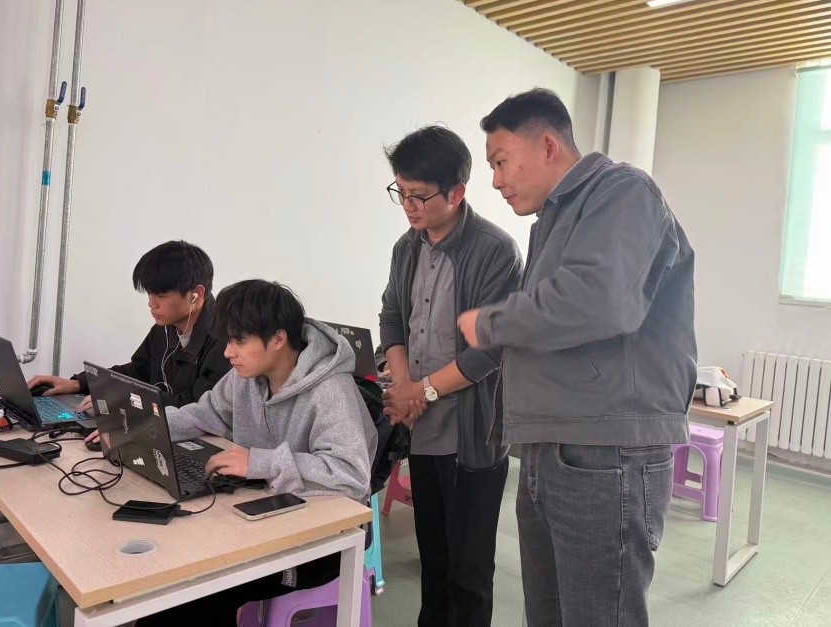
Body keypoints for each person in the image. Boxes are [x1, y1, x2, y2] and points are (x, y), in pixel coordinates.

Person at [458, 88, 696, 626]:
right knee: (548, 615)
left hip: (604, 452)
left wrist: (491, 322)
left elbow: (598, 299)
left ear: (547, 145)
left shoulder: (623, 192)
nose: (495, 180)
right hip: (552, 446)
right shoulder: (555, 220)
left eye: (500, 161)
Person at [137, 278, 376, 626]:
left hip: (318, 544)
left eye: (238, 341)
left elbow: (350, 475)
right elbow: (205, 414)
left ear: (278, 339)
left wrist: (258, 462)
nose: (227, 352)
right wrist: (146, 426)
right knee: (170, 580)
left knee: (190, 594)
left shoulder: (329, 391)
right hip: (265, 521)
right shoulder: (246, 377)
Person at [379, 125, 522, 626]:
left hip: (471, 438)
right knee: (434, 565)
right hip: (423, 430)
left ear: (457, 192)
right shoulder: (406, 248)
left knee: (469, 574)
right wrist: (404, 388)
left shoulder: (495, 251)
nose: (409, 206)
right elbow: (392, 319)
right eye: (401, 192)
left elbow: (490, 350)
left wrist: (421, 390)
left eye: (419, 195)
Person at [27, 240, 229, 409]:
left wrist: (125, 401)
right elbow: (137, 371)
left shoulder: (226, 339)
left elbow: (196, 407)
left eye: (161, 295)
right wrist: (79, 383)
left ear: (196, 294)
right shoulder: (166, 327)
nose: (151, 304)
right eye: (149, 294)